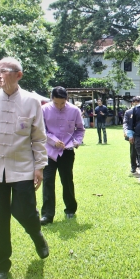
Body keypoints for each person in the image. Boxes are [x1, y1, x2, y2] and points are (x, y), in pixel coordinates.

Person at [0, 57, 49, 279]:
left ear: (19, 75)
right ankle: (1, 266)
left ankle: (36, 234)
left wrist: (39, 167)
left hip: (22, 167)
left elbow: (38, 138)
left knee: (24, 211)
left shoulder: (31, 101)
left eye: (4, 71)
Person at [40, 87, 85, 225]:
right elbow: (42, 130)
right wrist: (53, 140)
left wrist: (76, 141)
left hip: (67, 151)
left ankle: (70, 209)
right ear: (51, 98)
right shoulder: (44, 110)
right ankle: (47, 215)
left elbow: (80, 129)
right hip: (49, 151)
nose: (60, 106)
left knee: (67, 180)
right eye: (56, 103)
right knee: (47, 181)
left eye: (62, 103)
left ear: (67, 99)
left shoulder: (74, 110)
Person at [123, 96, 140, 173]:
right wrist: (126, 131)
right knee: (133, 151)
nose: (137, 104)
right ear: (132, 103)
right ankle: (133, 166)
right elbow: (125, 123)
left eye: (138, 102)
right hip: (132, 133)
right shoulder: (128, 112)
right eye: (135, 102)